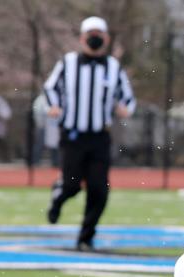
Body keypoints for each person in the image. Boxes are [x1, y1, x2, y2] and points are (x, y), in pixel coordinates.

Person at [43, 16, 136, 250]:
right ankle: (59, 196)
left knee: (99, 189)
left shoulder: (114, 67)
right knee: (72, 185)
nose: (94, 38)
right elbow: (50, 88)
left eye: (99, 33)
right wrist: (53, 106)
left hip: (98, 137)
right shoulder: (67, 62)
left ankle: (85, 237)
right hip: (73, 135)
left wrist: (125, 108)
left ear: (105, 38)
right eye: (90, 33)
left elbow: (127, 96)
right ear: (82, 37)